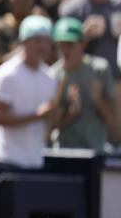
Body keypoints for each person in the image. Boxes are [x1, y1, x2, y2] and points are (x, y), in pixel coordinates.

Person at [0, 15, 58, 168]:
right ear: (24, 42)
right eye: (37, 40)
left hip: (36, 161)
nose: (43, 46)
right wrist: (37, 115)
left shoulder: (50, 77)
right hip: (8, 161)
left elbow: (49, 121)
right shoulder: (7, 73)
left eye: (46, 41)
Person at [49, 17, 115, 151]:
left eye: (70, 44)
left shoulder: (99, 70)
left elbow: (111, 118)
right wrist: (72, 111)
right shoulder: (52, 75)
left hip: (95, 150)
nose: (64, 50)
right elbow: (51, 125)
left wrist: (97, 100)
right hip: (63, 151)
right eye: (61, 44)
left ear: (83, 44)